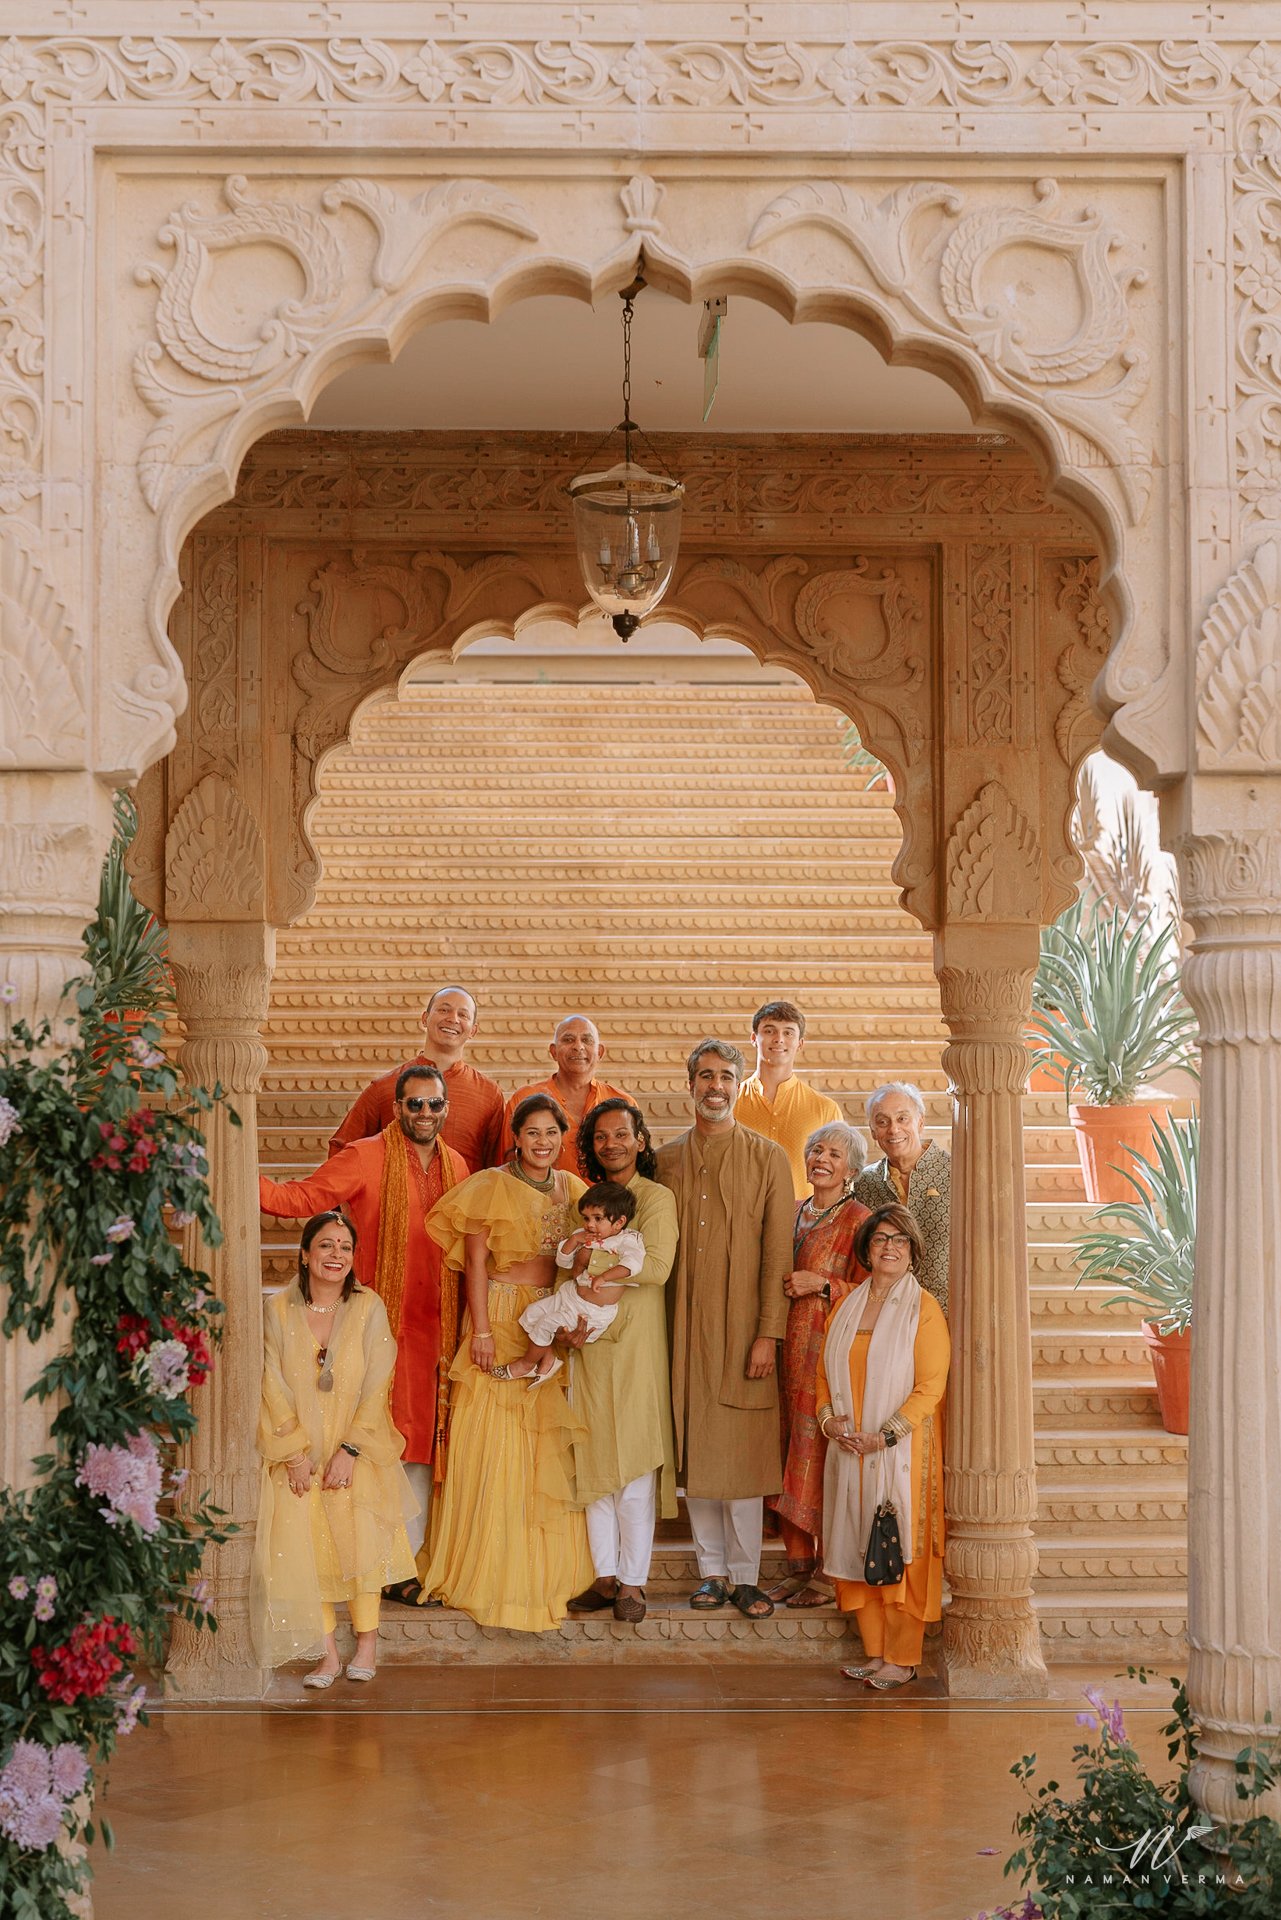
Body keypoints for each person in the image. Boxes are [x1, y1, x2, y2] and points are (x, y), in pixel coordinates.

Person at [258, 1064, 469, 1586]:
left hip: (438, 1330)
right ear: (396, 1108)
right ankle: (360, 1562)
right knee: (373, 1435)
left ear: (446, 1109)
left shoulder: (458, 1166)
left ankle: (405, 1563)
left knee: (420, 1446)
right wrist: (237, 1177)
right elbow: (304, 1199)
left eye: (434, 1104)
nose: (424, 1113)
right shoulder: (365, 1156)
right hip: (375, 1324)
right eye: (413, 1104)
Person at [414, 1093, 593, 1630]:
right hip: (497, 1311)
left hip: (549, 1316)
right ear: (516, 1137)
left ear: (563, 1137)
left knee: (539, 1442)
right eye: (532, 1132)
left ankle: (539, 1570)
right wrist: (483, 1332)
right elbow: (472, 1263)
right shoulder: (489, 1184)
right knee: (491, 1435)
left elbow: (595, 1251)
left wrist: (577, 1315)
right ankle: (483, 1565)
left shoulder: (572, 1189)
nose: (542, 1142)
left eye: (551, 1133)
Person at [656, 1038, 794, 1620]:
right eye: (705, 1076)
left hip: (743, 1331)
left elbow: (777, 1255)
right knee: (701, 1462)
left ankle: (745, 1576)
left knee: (740, 1457)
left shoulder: (767, 1158)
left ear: (740, 1086)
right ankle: (711, 1572)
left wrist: (769, 1332)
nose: (716, 1087)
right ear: (690, 1085)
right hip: (682, 1331)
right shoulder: (663, 1160)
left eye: (726, 1077)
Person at [250, 1212, 417, 1687]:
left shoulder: (368, 1307)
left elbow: (377, 1381)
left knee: (360, 1546)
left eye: (345, 1247)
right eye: (326, 1246)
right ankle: (327, 1655)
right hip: (297, 1454)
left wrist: (350, 1449)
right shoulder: (278, 1309)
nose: (336, 1255)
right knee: (310, 1551)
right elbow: (270, 1383)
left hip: (355, 1449)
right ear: (304, 1254)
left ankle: (367, 1644)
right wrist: (295, 1455)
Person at [816, 1203, 950, 1689]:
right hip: (848, 1449)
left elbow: (931, 1387)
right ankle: (876, 1654)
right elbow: (821, 1379)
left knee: (898, 1547)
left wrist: (886, 1434)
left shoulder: (924, 1308)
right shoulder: (846, 1306)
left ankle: (903, 1657)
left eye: (900, 1241)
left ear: (912, 1253)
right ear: (866, 1249)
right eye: (880, 1239)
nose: (889, 1247)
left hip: (901, 1452)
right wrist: (830, 1423)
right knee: (856, 1543)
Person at [565, 1098, 678, 1624]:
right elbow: (568, 1262)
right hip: (587, 1345)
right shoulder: (587, 1200)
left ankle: (633, 1582)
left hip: (634, 1349)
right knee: (592, 1464)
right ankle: (603, 1576)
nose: (611, 1143)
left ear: (640, 1140)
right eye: (601, 1136)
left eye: (621, 1134)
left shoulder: (654, 1199)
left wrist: (598, 1267)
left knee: (632, 1469)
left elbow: (654, 1267)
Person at [767, 1121, 871, 1609]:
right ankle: (797, 1565)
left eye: (833, 1153)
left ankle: (830, 1572)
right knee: (786, 1452)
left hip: (827, 1359)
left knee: (820, 1456)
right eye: (814, 1150)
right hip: (782, 1352)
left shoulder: (860, 1219)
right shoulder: (789, 1213)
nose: (820, 1159)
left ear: (851, 1168)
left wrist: (824, 1285)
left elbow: (879, 1292)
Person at [328, 985, 505, 1172]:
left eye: (463, 1015)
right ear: (425, 1019)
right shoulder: (385, 1087)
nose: (453, 1018)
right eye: (443, 1010)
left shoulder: (489, 1094)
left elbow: (498, 1166)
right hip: (395, 1200)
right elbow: (342, 1149)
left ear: (473, 1030)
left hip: (465, 1199)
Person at [494, 1180, 645, 1385]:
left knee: (547, 1324)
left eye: (598, 1218)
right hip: (569, 1296)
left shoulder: (627, 1241)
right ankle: (548, 1359)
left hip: (590, 1312)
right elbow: (563, 1262)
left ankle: (526, 1365)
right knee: (530, 1315)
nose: (590, 1224)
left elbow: (633, 1265)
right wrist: (574, 1241)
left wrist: (604, 1277)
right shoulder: (583, 1235)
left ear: (619, 1222)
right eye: (586, 1218)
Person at [852, 1082, 951, 1312]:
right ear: (873, 1131)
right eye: (883, 1122)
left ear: (920, 1121)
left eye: (902, 1119)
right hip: (884, 1314)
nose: (893, 1130)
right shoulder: (865, 1182)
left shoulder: (956, 1173)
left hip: (945, 1312)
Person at [734, 999, 845, 1200]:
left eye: (788, 1032)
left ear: (800, 1043)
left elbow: (840, 1177)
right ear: (754, 1038)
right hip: (740, 1222)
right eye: (769, 1031)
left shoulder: (825, 1109)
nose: (779, 1039)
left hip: (802, 1225)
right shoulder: (731, 1103)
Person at [499, 1014, 632, 1174]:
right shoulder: (524, 1099)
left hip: (606, 1198)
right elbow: (506, 1162)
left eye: (587, 1040)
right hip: (542, 1197)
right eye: (568, 1040)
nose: (578, 1046)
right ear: (553, 1051)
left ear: (600, 1052)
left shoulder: (623, 1104)